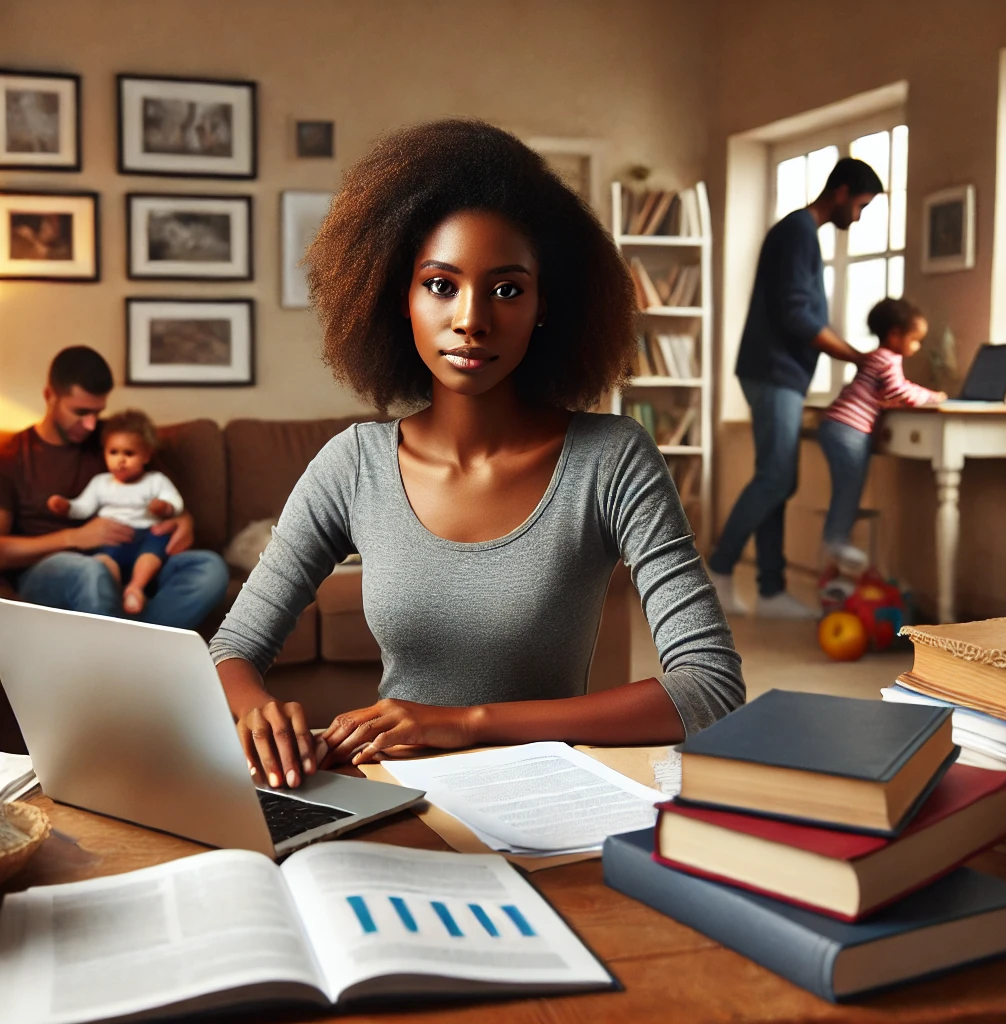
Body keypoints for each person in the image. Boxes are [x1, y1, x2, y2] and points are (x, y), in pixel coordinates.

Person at [211, 119, 745, 790]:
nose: (472, 318)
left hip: (546, 802)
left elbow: (711, 688)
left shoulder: (610, 461)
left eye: (507, 288)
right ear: (397, 298)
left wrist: (463, 722)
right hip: (394, 795)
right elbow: (231, 650)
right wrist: (259, 712)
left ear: (545, 305)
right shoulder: (353, 464)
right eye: (440, 285)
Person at [706, 157, 884, 618]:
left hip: (779, 372)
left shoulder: (799, 234)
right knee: (777, 478)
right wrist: (856, 356)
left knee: (777, 479)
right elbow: (798, 315)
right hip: (773, 371)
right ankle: (720, 569)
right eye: (861, 205)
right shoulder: (797, 233)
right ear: (841, 192)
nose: (859, 217)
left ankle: (769, 590)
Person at [0, 346, 229, 628]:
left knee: (210, 568)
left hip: (135, 558)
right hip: (53, 570)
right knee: (91, 571)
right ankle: (131, 658)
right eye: (80, 411)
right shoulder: (11, 455)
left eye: (97, 412)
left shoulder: (115, 440)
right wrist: (73, 538)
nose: (90, 424)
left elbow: (162, 496)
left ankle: (131, 654)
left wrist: (183, 520)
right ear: (50, 396)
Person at [818, 298, 945, 574]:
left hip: (839, 427)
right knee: (849, 489)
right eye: (914, 339)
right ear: (895, 335)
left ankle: (836, 540)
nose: (917, 346)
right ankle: (836, 540)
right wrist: (933, 397)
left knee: (846, 488)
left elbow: (887, 392)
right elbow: (898, 391)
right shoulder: (887, 359)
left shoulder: (876, 359)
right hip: (848, 430)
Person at [46, 409, 186, 615]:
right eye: (113, 452)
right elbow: (83, 507)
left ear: (146, 455)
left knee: (157, 542)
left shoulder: (155, 480)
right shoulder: (100, 483)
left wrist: (165, 507)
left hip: (146, 536)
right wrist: (68, 507)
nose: (120, 460)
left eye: (129, 454)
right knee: (102, 562)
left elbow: (175, 500)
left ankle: (136, 588)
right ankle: (114, 594)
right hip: (112, 537)